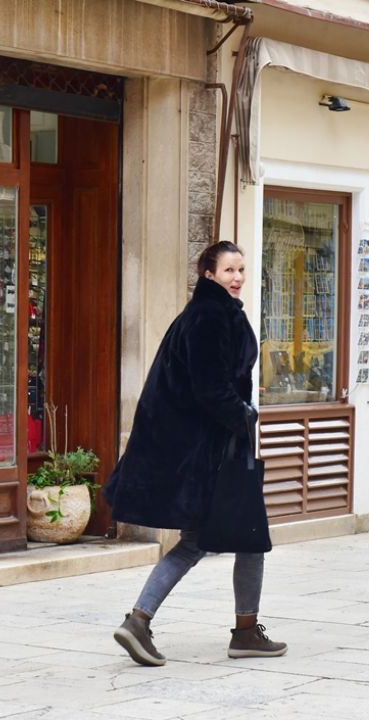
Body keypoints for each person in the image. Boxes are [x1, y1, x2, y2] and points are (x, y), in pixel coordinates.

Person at [103, 241, 287, 667]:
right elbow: (210, 387)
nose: (238, 277)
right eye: (229, 271)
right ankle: (141, 621)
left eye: (241, 269)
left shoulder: (211, 313)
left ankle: (242, 630)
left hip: (215, 447)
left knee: (246, 538)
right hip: (215, 451)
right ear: (209, 275)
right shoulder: (208, 316)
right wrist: (244, 415)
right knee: (205, 542)